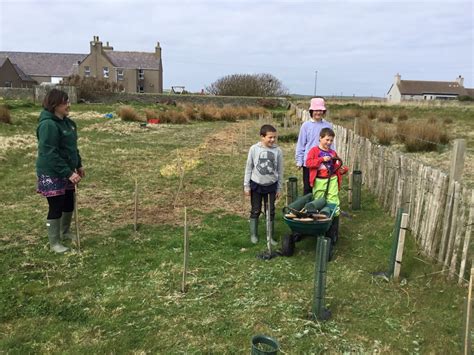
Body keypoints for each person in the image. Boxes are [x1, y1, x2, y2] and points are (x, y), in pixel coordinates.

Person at [36, 89, 84, 253]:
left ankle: (65, 232)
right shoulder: (48, 125)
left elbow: (72, 148)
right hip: (52, 172)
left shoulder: (69, 124)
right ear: (54, 104)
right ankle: (55, 242)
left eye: (68, 101)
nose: (69, 105)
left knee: (69, 203)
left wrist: (78, 165)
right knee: (56, 206)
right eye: (65, 102)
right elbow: (49, 153)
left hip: (67, 171)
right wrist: (68, 173)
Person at [305, 128, 347, 260]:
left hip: (332, 179)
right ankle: (319, 229)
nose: (328, 142)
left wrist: (341, 170)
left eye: (331, 140)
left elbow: (334, 167)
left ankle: (333, 231)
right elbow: (308, 163)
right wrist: (321, 160)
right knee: (319, 202)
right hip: (319, 180)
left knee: (333, 202)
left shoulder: (333, 152)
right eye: (326, 139)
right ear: (320, 138)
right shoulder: (314, 151)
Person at [244, 125, 284, 245]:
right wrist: (246, 185)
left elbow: (280, 170)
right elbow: (249, 167)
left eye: (274, 137)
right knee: (255, 210)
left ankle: (270, 236)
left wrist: (279, 188)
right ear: (262, 137)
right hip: (256, 185)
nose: (273, 140)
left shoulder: (278, 151)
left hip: (271, 186)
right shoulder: (254, 149)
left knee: (270, 211)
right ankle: (254, 234)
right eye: (270, 137)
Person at [295, 97, 333, 196]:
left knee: (321, 185)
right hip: (309, 161)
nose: (318, 113)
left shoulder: (328, 126)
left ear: (323, 111)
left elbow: (331, 143)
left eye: (320, 110)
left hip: (324, 161)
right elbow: (301, 144)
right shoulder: (306, 126)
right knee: (308, 187)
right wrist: (299, 160)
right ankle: (307, 209)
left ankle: (319, 208)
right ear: (311, 111)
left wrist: (334, 157)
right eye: (316, 110)